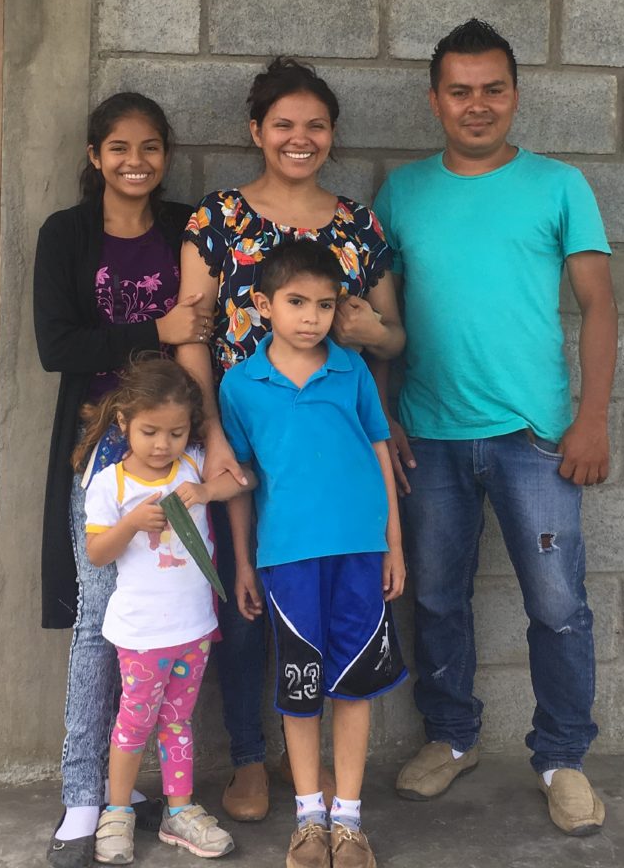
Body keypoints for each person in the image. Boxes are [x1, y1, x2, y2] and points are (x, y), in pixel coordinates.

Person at [373, 19, 618, 838]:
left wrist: (590, 419)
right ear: (434, 100)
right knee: (436, 596)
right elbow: (383, 319)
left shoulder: (559, 185)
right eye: (460, 91)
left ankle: (563, 757)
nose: (476, 105)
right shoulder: (402, 193)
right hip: (429, 434)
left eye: (493, 89)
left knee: (557, 605)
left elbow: (599, 305)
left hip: (533, 437)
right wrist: (385, 415)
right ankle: (452, 736)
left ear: (515, 94)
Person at [175, 58, 405, 822]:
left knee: (329, 599)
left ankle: (312, 772)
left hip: (331, 438)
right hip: (246, 426)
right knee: (247, 600)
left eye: (315, 125)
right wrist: (213, 432)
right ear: (256, 130)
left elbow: (392, 336)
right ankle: (250, 755)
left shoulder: (359, 225)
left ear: (332, 134)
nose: (299, 138)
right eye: (283, 124)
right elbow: (192, 334)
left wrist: (375, 337)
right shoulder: (216, 219)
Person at [34, 92, 215, 868]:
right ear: (95, 156)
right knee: (97, 619)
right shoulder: (67, 235)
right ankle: (86, 796)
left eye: (149, 148)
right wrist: (155, 330)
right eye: (119, 148)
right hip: (103, 448)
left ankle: (167, 795)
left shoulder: (185, 228)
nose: (135, 162)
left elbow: (205, 328)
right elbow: (58, 346)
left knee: (182, 610)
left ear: (165, 155)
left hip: (178, 446)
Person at [219, 240, 407, 868]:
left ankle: (348, 821)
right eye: (296, 302)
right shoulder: (241, 385)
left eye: (325, 305)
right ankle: (308, 819)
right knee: (300, 688)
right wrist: (244, 562)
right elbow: (241, 480)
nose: (311, 317)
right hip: (288, 558)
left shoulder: (351, 371)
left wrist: (393, 544)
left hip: (360, 551)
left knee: (353, 687)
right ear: (263, 304)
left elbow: (379, 452)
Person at [81, 355, 254, 865]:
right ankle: (117, 812)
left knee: (178, 722)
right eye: (150, 432)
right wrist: (131, 523)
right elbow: (97, 553)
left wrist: (205, 490)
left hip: (194, 628)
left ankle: (179, 811)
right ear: (123, 423)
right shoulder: (111, 484)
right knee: (134, 724)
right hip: (141, 635)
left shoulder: (193, 464)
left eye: (176, 433)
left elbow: (243, 481)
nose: (163, 445)